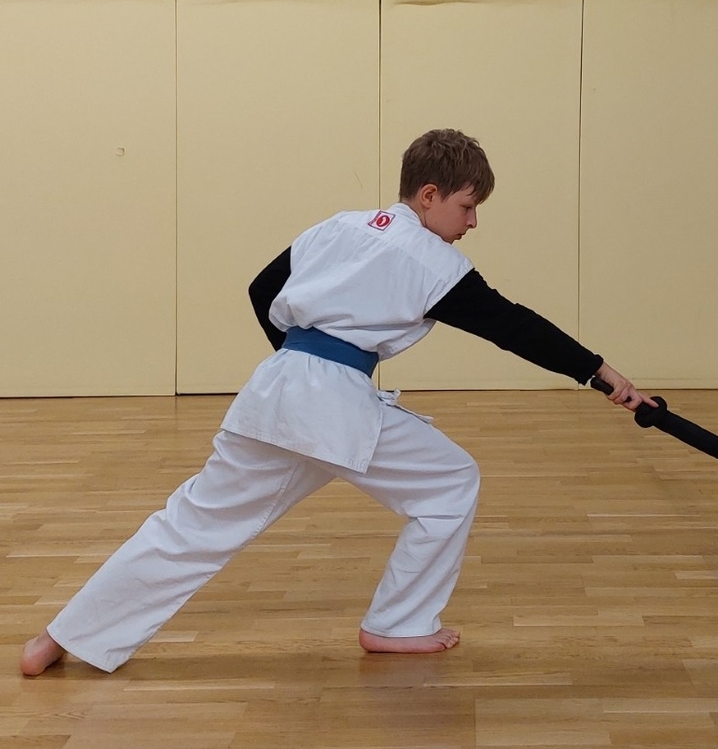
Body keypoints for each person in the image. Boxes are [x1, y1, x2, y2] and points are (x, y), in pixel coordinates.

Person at [21, 128, 653, 676]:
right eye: (467, 206)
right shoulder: (430, 259)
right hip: (332, 406)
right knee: (450, 482)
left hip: (274, 393)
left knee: (190, 525)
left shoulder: (338, 226)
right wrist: (605, 375)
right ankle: (399, 624)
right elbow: (513, 326)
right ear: (428, 196)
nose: (472, 223)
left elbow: (263, 287)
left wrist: (303, 360)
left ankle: (60, 637)